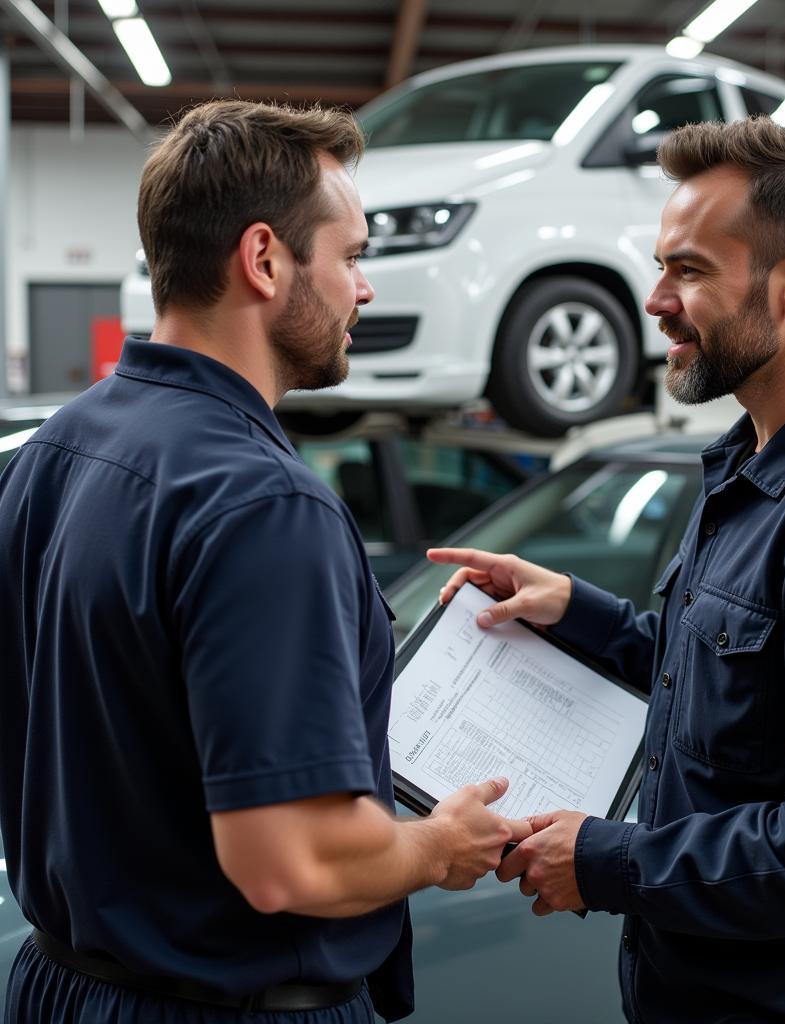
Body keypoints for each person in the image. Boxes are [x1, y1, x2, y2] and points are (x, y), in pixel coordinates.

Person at [430, 118, 785, 1023]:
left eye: (688, 270)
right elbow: (741, 691)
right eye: (663, 265)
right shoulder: (754, 463)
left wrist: (606, 860)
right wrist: (575, 610)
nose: (655, 299)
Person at [0, 99, 530, 1024]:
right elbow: (289, 861)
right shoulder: (264, 505)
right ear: (263, 260)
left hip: (60, 983)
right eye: (354, 256)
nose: (365, 289)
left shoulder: (57, 449)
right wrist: (438, 847)